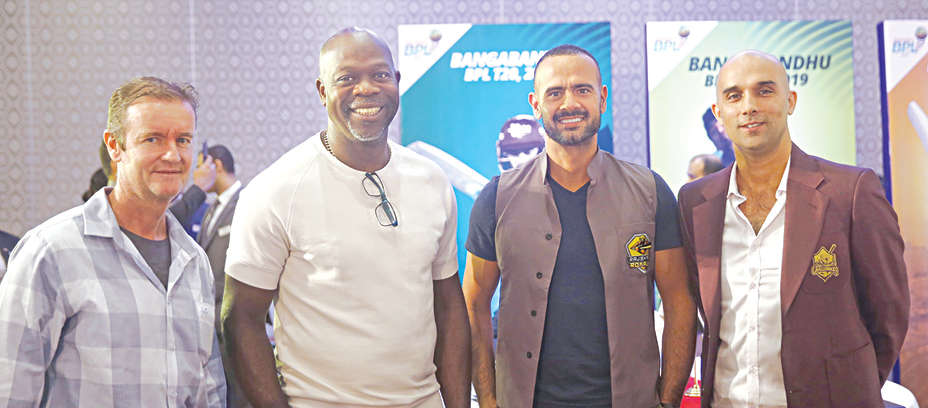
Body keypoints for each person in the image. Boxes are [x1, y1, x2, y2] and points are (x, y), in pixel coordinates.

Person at [221, 27, 470, 408]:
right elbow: (240, 320)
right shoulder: (275, 190)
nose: (366, 88)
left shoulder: (432, 181)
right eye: (347, 78)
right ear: (322, 91)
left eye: (379, 74)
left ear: (396, 81)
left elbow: (449, 308)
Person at [463, 44, 697, 408]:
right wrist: (490, 400)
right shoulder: (497, 198)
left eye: (582, 89)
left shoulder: (650, 192)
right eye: (555, 92)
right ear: (535, 104)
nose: (569, 103)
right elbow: (473, 303)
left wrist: (667, 400)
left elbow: (679, 300)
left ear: (602, 98)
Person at [677, 50, 909, 407]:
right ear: (718, 113)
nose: (749, 106)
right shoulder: (696, 202)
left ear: (790, 101)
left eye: (764, 90)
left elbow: (888, 315)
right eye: (734, 95)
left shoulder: (850, 192)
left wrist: (850, 388)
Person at [0, 76, 226, 406]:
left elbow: (209, 388)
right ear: (114, 146)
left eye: (183, 140)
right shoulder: (51, 253)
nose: (172, 154)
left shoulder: (194, 262)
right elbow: (10, 388)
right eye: (152, 139)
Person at [195, 144, 248, 407]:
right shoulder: (210, 209)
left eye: (200, 166)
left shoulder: (246, 203)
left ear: (215, 165)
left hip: (234, 322)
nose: (196, 173)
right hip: (211, 326)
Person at [99, 138, 217, 230]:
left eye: (182, 141)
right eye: (151, 141)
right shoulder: (111, 211)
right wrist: (198, 189)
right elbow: (158, 226)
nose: (172, 157)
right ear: (115, 154)